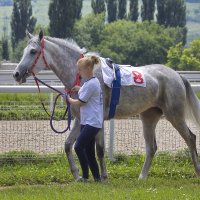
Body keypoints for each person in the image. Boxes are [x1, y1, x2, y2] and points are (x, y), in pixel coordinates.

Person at [68, 55, 103, 182]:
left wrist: (69, 100)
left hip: (91, 123)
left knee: (78, 147)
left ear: (88, 68)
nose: (79, 72)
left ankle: (85, 176)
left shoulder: (91, 84)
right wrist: (79, 88)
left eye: (80, 69)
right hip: (88, 121)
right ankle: (97, 179)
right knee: (89, 152)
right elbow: (87, 90)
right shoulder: (91, 82)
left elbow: (80, 102)